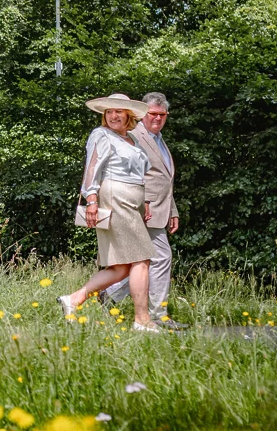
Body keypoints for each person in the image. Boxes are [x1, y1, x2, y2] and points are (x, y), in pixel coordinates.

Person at [57, 93, 160, 333]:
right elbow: (92, 168)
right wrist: (91, 199)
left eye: (119, 111)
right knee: (142, 259)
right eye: (110, 111)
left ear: (129, 116)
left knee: (122, 267)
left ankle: (73, 300)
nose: (114, 116)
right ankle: (142, 320)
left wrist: (143, 200)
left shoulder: (131, 139)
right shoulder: (101, 135)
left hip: (131, 200)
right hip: (115, 198)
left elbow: (138, 175)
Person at [103, 92, 186, 329]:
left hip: (159, 209)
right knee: (161, 257)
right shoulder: (135, 136)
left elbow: (164, 179)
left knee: (144, 262)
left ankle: (109, 294)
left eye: (162, 114)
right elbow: (132, 174)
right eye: (152, 114)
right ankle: (157, 315)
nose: (157, 119)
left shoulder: (159, 139)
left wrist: (173, 210)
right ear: (142, 114)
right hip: (140, 208)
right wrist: (144, 203)